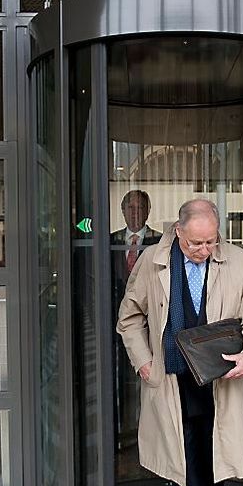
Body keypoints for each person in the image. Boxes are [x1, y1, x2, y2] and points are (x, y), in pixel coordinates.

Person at [116, 198, 243, 486]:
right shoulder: (153, 261)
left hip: (220, 380)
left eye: (210, 242)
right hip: (171, 379)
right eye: (195, 244)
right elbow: (130, 317)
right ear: (178, 231)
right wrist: (143, 361)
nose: (204, 250)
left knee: (211, 455)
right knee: (183, 457)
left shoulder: (239, 263)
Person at [110, 190, 162, 459]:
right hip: (114, 326)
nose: (134, 212)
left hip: (151, 327)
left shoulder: (160, 242)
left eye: (139, 207)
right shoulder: (109, 242)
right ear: (122, 211)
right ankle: (120, 433)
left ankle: (148, 435)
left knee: (149, 381)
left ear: (148, 211)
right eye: (129, 207)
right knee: (117, 380)